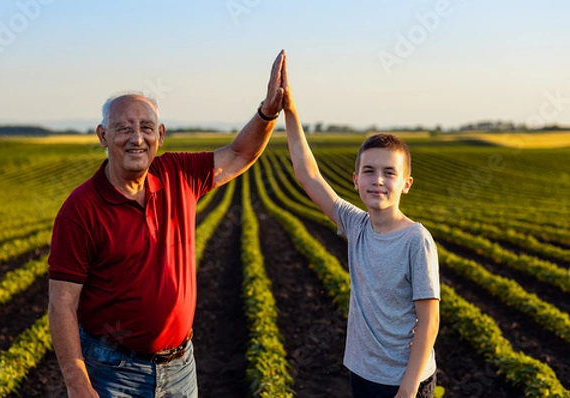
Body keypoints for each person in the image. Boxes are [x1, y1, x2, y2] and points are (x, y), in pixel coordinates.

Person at [48, 50, 287, 398]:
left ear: (160, 135)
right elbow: (61, 304)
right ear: (102, 135)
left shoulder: (178, 173)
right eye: (123, 128)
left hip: (180, 368)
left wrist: (268, 111)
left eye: (146, 128)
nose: (136, 138)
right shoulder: (81, 209)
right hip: (113, 373)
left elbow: (239, 154)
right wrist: (77, 382)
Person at [282, 60, 440, 398]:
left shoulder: (416, 240)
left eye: (389, 173)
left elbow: (429, 321)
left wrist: (408, 390)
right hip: (363, 373)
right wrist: (290, 111)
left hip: (404, 382)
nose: (378, 180)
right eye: (369, 171)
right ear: (355, 180)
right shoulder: (356, 225)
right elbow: (308, 176)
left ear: (406, 183)